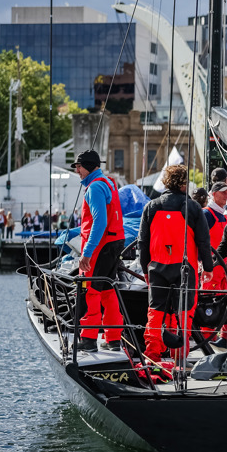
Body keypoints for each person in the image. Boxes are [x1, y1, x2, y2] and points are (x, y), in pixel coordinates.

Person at [137, 164, 214, 363]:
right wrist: (208, 268)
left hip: (157, 267)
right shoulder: (194, 208)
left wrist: (145, 267)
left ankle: (152, 356)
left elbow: (142, 243)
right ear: (183, 184)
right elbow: (204, 242)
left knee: (155, 312)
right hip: (185, 268)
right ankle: (179, 358)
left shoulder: (151, 207)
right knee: (184, 313)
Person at [71, 150, 127, 353]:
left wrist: (87, 252)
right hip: (115, 242)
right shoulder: (109, 182)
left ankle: (87, 339)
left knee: (89, 291)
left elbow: (100, 222)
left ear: (87, 166)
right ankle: (113, 339)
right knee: (108, 290)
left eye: (79, 166)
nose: (77, 170)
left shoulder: (94, 188)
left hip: (100, 246)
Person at [202, 182, 227, 293]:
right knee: (210, 299)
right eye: (223, 192)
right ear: (214, 194)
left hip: (223, 268)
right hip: (211, 267)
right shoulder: (207, 214)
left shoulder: (224, 215)